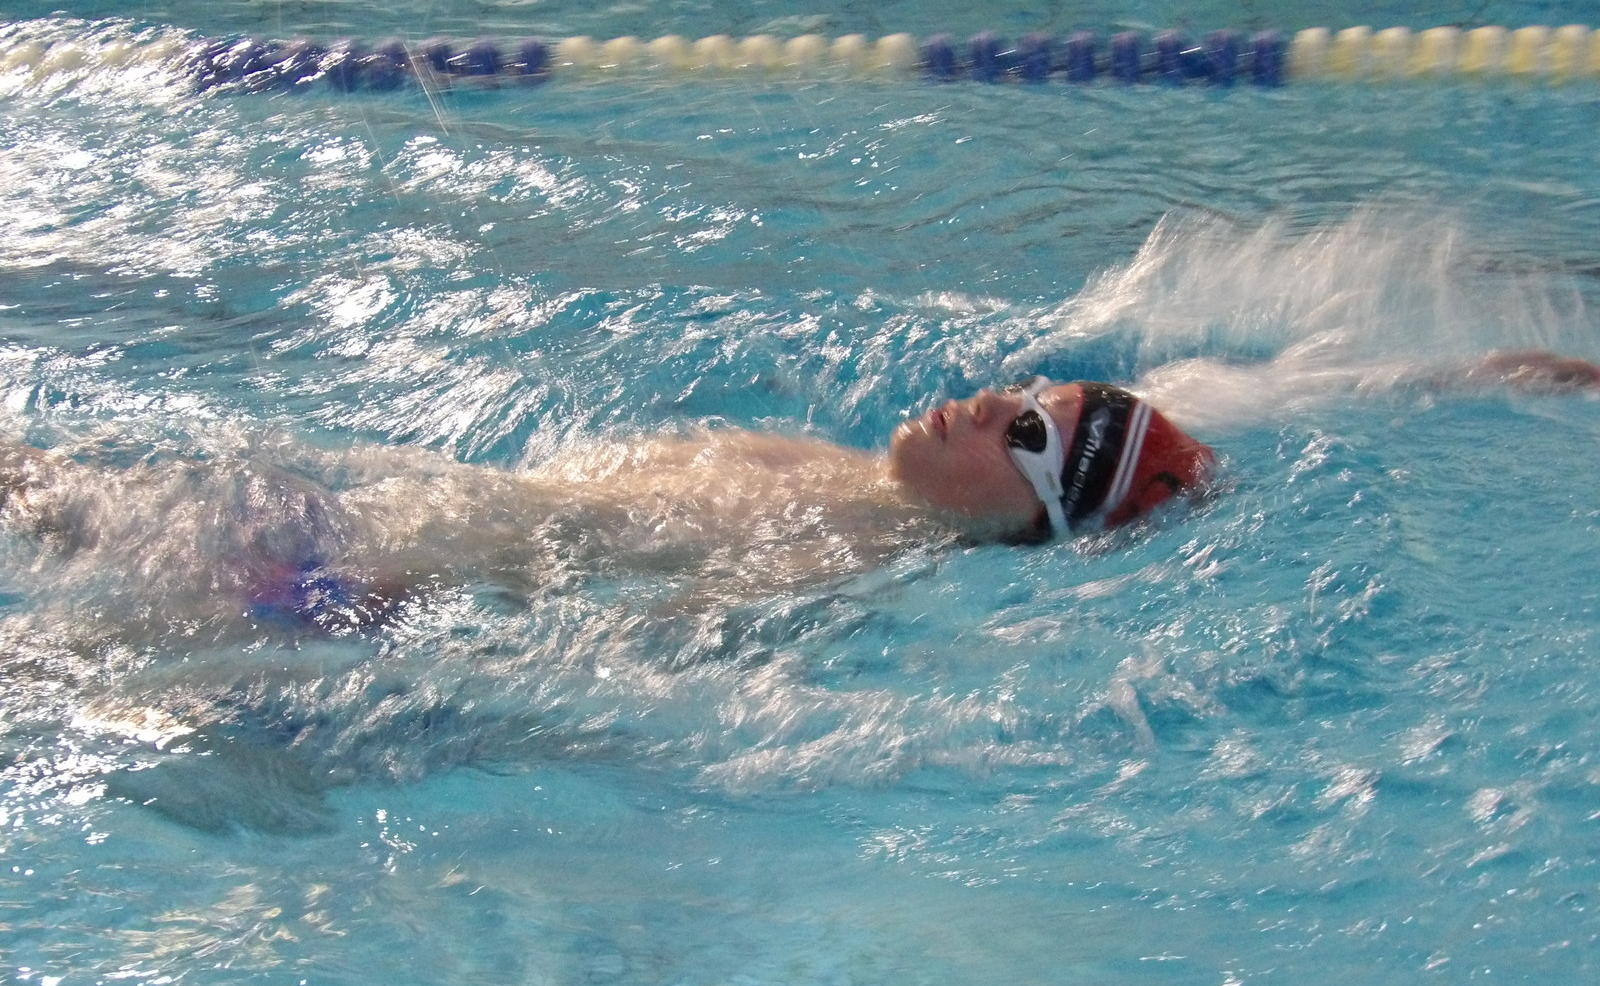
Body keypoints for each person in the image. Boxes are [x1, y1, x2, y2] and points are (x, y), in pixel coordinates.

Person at [0, 349, 1594, 635]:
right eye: (1035, 390)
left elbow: (633, 658)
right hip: (370, 515)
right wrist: (1485, 372)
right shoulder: (877, 488)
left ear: (1018, 521)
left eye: (1026, 435)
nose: (995, 402)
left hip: (347, 583)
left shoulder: (831, 554)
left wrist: (383, 624)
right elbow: (1270, 385)